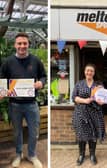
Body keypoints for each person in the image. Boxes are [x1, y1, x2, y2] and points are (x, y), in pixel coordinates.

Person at [0, 32, 47, 168]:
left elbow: (44, 76)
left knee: (34, 132)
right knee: (17, 132)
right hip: (14, 105)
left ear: (28, 44)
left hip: (31, 104)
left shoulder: (35, 60)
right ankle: (19, 154)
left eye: (25, 43)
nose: (22, 46)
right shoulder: (8, 62)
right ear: (15, 45)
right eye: (19, 43)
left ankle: (32, 155)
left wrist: (41, 83)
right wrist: (2, 91)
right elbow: (2, 79)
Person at [72, 63, 105, 166]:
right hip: (81, 112)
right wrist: (85, 101)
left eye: (91, 71)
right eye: (87, 70)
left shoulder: (98, 85)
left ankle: (92, 155)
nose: (89, 72)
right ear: (84, 72)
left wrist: (100, 101)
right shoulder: (79, 84)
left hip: (95, 113)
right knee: (81, 134)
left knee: (93, 134)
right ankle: (81, 155)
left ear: (94, 73)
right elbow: (74, 97)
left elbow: (103, 100)